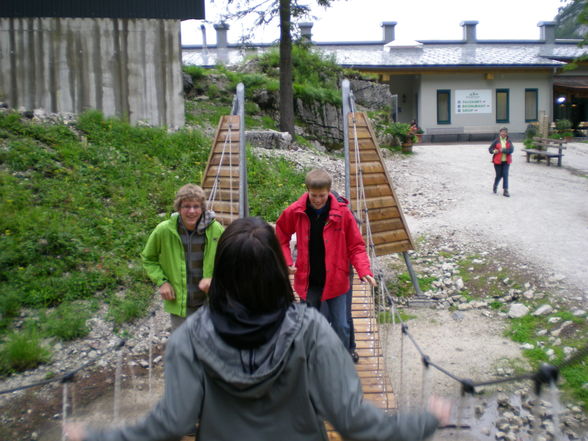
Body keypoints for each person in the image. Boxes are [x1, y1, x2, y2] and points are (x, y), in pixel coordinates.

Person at [64, 217, 451, 441]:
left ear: (221, 274)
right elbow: (352, 420)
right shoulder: (312, 331)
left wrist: (97, 436)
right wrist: (425, 419)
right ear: (279, 270)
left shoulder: (189, 337)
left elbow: (174, 422)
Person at [275, 169, 376, 361]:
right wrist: (287, 261)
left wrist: (364, 270)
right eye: (314, 195)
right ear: (307, 190)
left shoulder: (343, 214)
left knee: (341, 325)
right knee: (309, 325)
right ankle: (314, 362)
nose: (318, 200)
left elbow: (356, 246)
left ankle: (342, 362)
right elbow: (280, 237)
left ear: (329, 191)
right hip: (309, 280)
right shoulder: (295, 211)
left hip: (337, 280)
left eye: (322, 195)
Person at [141, 183, 224, 332]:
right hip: (180, 305)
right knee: (183, 349)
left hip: (209, 304)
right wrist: (162, 282)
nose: (191, 211)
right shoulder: (164, 230)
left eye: (196, 206)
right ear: (179, 208)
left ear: (202, 208)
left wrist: (214, 279)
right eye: (186, 206)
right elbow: (148, 258)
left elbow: (228, 261)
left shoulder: (216, 229)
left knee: (210, 347)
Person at [489, 127, 514, 197]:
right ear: (500, 133)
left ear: (507, 133)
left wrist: (503, 150)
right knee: (499, 175)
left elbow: (511, 150)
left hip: (506, 161)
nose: (503, 133)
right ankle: (495, 185)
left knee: (505, 174)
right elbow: (490, 149)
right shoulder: (496, 140)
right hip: (497, 161)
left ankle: (505, 190)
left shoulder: (509, 141)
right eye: (502, 132)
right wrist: (494, 151)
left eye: (505, 132)